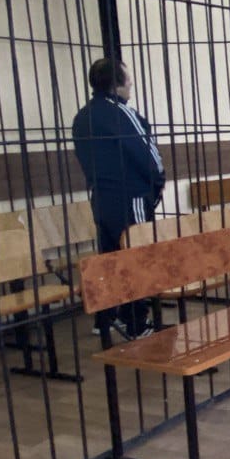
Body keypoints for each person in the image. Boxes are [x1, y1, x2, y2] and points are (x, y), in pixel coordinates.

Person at [71, 58, 165, 339]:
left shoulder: (82, 117)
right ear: (117, 83)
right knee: (136, 257)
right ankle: (137, 323)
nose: (131, 83)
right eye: (128, 78)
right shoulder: (122, 113)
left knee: (109, 258)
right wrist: (157, 183)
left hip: (101, 197)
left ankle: (106, 319)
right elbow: (147, 153)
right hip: (130, 195)